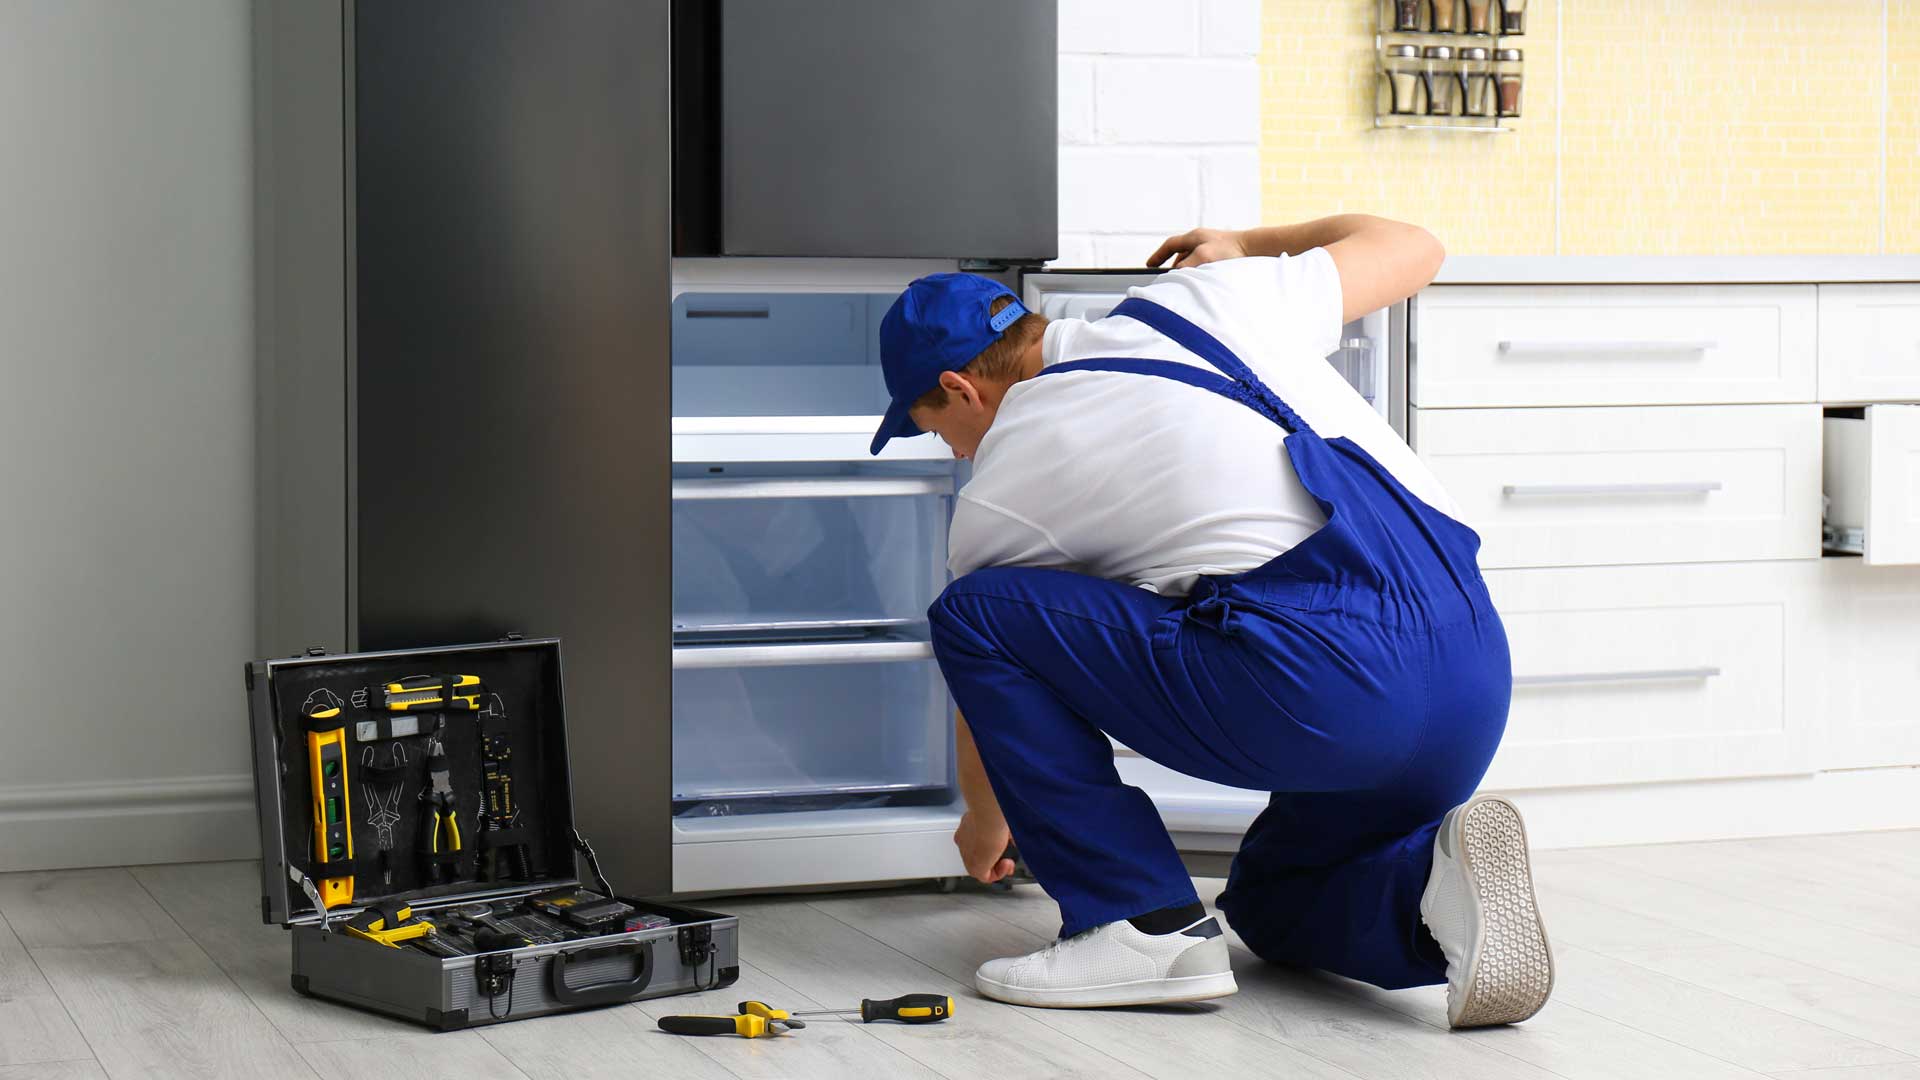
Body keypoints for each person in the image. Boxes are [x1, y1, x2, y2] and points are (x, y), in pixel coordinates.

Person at [866, 216, 1553, 1028]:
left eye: (935, 430)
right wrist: (1246, 244)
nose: (953, 453)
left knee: (974, 614)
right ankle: (1431, 897)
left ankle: (1141, 924)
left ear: (959, 388)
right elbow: (1416, 247)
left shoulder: (1011, 472)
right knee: (1270, 902)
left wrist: (986, 819)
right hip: (1470, 666)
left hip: (1331, 689)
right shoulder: (1211, 293)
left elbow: (991, 662)